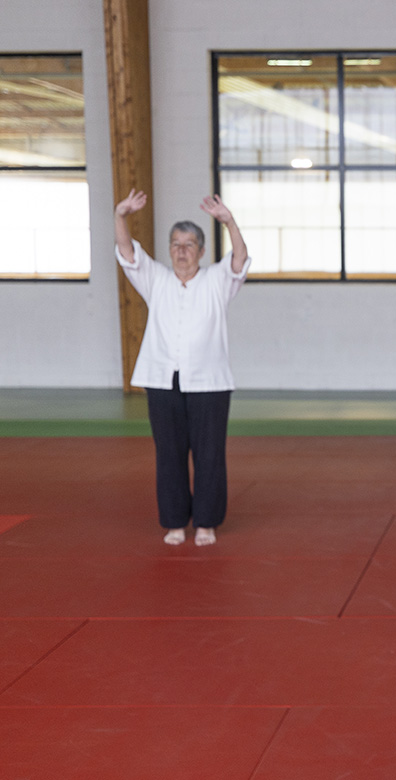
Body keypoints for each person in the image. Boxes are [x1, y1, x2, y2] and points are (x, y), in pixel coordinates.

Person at [114, 189, 251, 546]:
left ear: (202, 252)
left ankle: (206, 522)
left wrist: (229, 221)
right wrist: (120, 216)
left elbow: (240, 258)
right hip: (162, 379)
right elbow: (128, 254)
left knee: (209, 454)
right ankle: (175, 522)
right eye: (175, 243)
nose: (181, 250)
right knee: (169, 454)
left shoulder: (218, 281)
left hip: (209, 382)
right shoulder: (156, 279)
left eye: (189, 244)